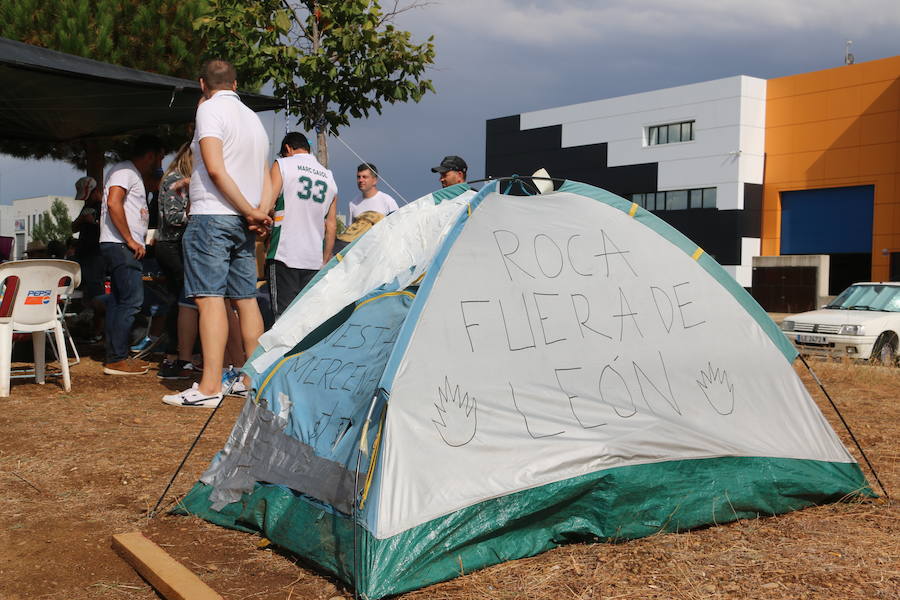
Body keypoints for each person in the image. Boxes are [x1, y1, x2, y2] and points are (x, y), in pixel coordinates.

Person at [163, 59, 272, 408]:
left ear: (201, 84)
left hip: (214, 218)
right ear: (236, 85)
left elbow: (214, 167)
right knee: (246, 299)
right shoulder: (253, 119)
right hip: (242, 221)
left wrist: (248, 210)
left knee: (209, 299)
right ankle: (248, 378)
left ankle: (209, 387)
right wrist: (257, 212)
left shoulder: (209, 110)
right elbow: (261, 172)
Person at [99, 134, 165, 375]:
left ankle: (115, 354)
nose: (161, 163)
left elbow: (155, 185)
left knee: (119, 301)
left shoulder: (131, 173)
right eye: (159, 157)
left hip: (120, 245)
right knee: (132, 301)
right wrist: (130, 239)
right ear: (150, 155)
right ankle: (116, 358)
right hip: (121, 245)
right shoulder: (124, 171)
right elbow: (115, 203)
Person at [262, 131, 338, 318]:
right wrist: (325, 259)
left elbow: (268, 204)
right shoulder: (328, 176)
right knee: (303, 320)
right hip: (313, 259)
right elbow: (331, 225)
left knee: (281, 319)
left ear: (287, 148)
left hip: (284, 254)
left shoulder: (283, 165)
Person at [155, 143, 200, 380]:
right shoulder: (176, 180)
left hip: (174, 245)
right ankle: (174, 353)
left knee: (180, 300)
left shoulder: (178, 178)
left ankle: (178, 352)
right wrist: (198, 214)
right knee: (181, 301)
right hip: (171, 245)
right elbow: (173, 217)